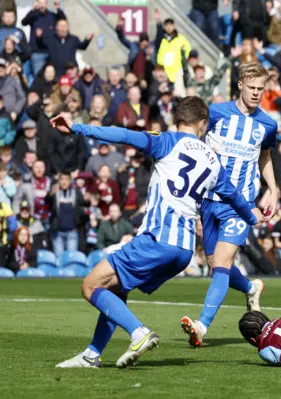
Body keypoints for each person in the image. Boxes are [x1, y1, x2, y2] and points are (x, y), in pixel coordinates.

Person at [52, 96, 264, 369]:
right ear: (203, 123)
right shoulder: (213, 162)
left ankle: (139, 332)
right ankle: (92, 354)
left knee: (90, 285)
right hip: (183, 251)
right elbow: (235, 197)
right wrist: (251, 217)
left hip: (158, 239)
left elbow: (124, 135)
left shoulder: (167, 141)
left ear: (177, 121)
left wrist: (79, 128)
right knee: (115, 288)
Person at [180, 62, 278, 348]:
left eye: (261, 89)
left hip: (241, 204)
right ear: (240, 85)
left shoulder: (267, 124)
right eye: (252, 88)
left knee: (222, 263)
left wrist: (272, 188)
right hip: (209, 200)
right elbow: (192, 139)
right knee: (215, 267)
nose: (257, 93)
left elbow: (265, 156)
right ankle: (251, 287)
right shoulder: (217, 113)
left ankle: (201, 326)